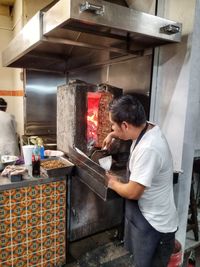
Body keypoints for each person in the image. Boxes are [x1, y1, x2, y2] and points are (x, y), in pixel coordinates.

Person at [103, 95, 178, 267]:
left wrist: (112, 182)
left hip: (155, 227)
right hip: (146, 217)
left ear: (125, 125)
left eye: (113, 124)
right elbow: (128, 129)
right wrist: (113, 134)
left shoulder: (148, 148)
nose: (111, 127)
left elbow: (133, 192)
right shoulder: (145, 126)